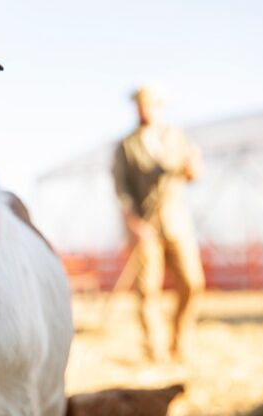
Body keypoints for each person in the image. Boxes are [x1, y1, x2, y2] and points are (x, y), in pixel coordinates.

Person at [111, 86, 205, 362]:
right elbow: (122, 190)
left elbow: (192, 174)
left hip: (176, 222)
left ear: (159, 107)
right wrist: (133, 224)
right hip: (145, 226)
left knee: (192, 282)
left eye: (150, 104)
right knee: (148, 290)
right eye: (141, 104)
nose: (145, 109)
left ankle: (181, 340)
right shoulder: (126, 146)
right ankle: (154, 349)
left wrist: (193, 167)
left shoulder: (176, 137)